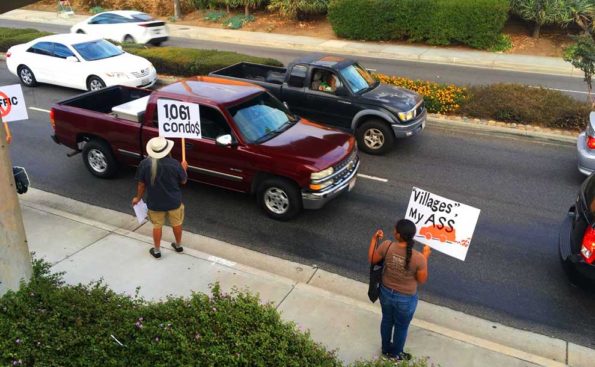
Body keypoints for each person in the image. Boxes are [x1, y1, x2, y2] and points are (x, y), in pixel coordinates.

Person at [368, 219, 431, 360]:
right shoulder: (419, 258)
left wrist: (374, 239)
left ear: (397, 235)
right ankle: (396, 354)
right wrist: (425, 257)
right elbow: (421, 280)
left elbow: (372, 259)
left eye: (395, 229)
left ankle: (385, 349)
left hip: (385, 292)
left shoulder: (386, 245)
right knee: (401, 327)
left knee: (387, 320)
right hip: (406, 299)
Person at [132, 137, 188, 259]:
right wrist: (184, 169)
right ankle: (178, 246)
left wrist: (137, 198)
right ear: (167, 150)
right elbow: (183, 181)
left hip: (155, 203)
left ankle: (157, 251)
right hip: (174, 201)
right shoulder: (175, 164)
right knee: (177, 223)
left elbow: (141, 185)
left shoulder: (144, 164)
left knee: (157, 225)